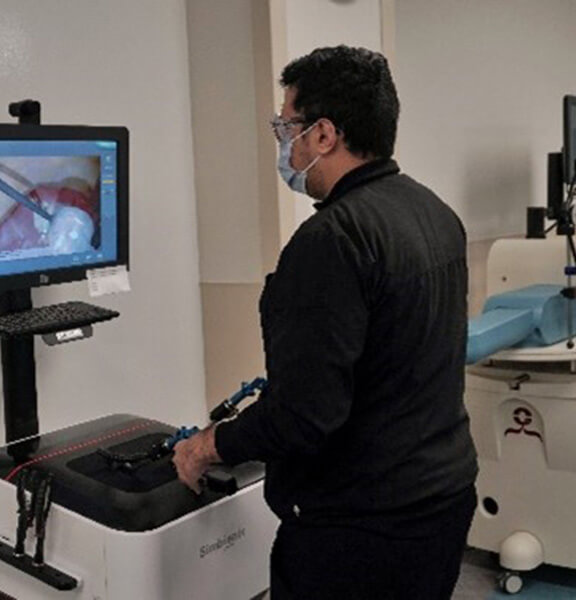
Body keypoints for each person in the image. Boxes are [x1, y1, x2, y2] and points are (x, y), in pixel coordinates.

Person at [172, 45, 478, 600]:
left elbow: (305, 416)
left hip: (360, 530)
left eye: (286, 125)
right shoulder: (435, 212)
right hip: (442, 499)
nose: (283, 144)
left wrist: (209, 445)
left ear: (323, 135)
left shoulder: (330, 242)